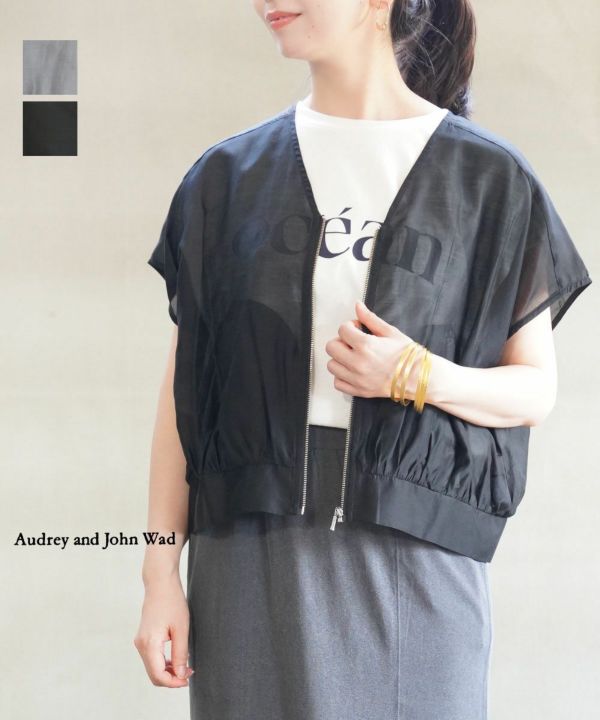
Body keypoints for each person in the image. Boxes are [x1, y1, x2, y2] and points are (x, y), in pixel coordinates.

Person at [134, 2, 592, 719]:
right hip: (249, 558)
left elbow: (534, 390)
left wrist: (414, 374)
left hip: (414, 564)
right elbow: (183, 400)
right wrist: (160, 572)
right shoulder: (226, 178)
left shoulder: (489, 179)